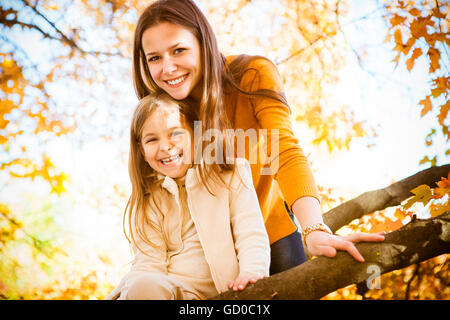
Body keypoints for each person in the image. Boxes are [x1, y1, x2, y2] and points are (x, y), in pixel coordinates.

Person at [131, 0, 385, 275]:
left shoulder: (250, 75)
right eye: (154, 58)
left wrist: (313, 228)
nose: (167, 68)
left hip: (271, 237)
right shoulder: (162, 112)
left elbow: (284, 151)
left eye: (178, 50)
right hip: (201, 260)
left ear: (203, 43)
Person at [106, 92, 270, 300]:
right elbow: (148, 264)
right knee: (143, 284)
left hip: (217, 292)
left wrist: (253, 272)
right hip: (170, 292)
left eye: (175, 133)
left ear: (195, 133)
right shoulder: (149, 198)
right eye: (152, 139)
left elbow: (250, 233)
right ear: (141, 150)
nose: (165, 146)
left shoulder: (230, 173)